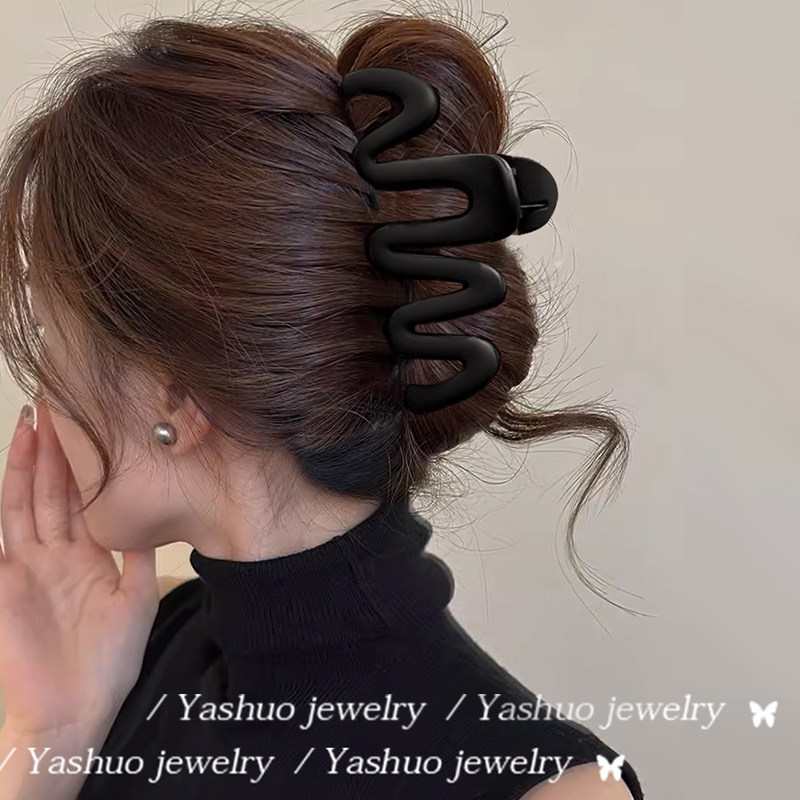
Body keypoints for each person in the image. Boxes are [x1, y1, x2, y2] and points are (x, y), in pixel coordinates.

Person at [0, 8, 643, 799]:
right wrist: (50, 737)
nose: (40, 391)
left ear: (176, 394)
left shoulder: (553, 793)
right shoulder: (127, 655)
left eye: (50, 340)